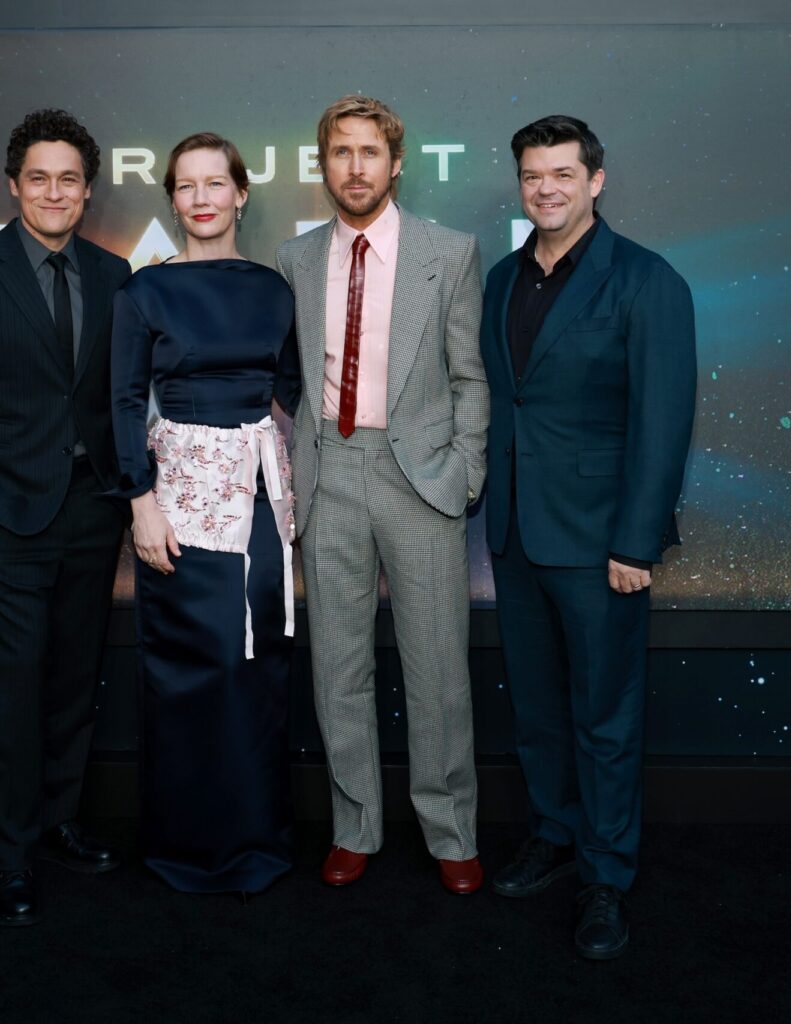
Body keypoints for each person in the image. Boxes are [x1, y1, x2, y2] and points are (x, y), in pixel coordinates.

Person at [480, 115, 697, 959]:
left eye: (563, 174)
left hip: (603, 545)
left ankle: (606, 876)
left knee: (605, 716)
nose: (547, 189)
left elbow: (662, 422)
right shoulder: (502, 278)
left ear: (595, 181)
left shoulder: (646, 280)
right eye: (533, 175)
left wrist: (637, 544)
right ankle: (554, 833)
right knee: (537, 710)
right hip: (515, 535)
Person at [0, 108, 132, 926]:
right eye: (38, 177)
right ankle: (11, 856)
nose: (54, 192)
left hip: (91, 512)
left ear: (88, 191)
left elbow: (118, 395)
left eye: (69, 179)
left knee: (75, 682)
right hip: (3, 518)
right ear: (14, 185)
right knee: (12, 694)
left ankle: (60, 821)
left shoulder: (114, 275)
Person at [275, 95, 489, 894]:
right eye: (341, 152)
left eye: (370, 152)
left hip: (420, 478)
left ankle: (451, 831)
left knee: (438, 669)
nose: (355, 167)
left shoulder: (450, 252)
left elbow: (470, 377)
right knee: (338, 667)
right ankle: (353, 825)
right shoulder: (295, 259)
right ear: (323, 165)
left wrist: (465, 471)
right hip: (330, 472)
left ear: (396, 164)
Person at [111, 133, 297, 895]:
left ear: (240, 193)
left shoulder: (274, 290)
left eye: (215, 183)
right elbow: (123, 403)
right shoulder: (144, 292)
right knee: (192, 671)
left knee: (257, 668)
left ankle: (256, 840)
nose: (201, 198)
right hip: (178, 508)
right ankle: (187, 848)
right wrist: (140, 504)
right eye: (185, 186)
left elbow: (299, 393)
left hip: (259, 506)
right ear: (173, 200)